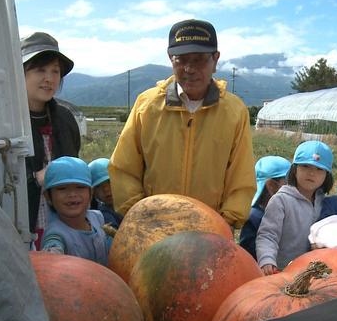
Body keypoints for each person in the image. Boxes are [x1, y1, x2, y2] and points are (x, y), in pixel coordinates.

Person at [108, 19, 255, 230]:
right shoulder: (147, 106)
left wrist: (225, 223)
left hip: (209, 231)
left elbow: (241, 176)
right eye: (181, 59)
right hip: (152, 228)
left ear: (215, 60)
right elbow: (123, 168)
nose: (189, 69)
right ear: (170, 59)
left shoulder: (234, 111)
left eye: (199, 60)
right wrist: (141, 216)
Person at [21, 32, 80, 250]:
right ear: (21, 73)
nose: (49, 78)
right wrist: (35, 178)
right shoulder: (7, 123)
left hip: (63, 228)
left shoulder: (65, 119)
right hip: (19, 228)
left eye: (55, 71)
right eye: (40, 70)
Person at [256, 141, 334, 275]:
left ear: (327, 175)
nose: (311, 173)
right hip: (281, 272)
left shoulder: (324, 203)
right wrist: (267, 259)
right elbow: (268, 235)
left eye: (319, 169)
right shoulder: (280, 200)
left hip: (312, 274)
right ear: (294, 169)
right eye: (305, 166)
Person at [41, 157, 110, 266]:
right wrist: (53, 255)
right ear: (48, 196)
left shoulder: (98, 218)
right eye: (62, 188)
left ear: (91, 193)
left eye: (80, 187)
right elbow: (51, 260)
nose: (72, 194)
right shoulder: (55, 235)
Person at [239, 156, 291, 260]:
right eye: (289, 183)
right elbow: (248, 257)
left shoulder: (284, 212)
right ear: (271, 186)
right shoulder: (255, 218)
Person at [88, 158, 124, 228]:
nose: (106, 189)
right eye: (98, 186)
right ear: (93, 193)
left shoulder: (131, 200)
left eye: (109, 182)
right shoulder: (104, 215)